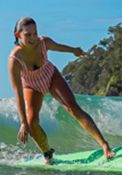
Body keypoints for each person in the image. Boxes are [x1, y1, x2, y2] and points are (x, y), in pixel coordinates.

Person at [7, 16, 115, 165]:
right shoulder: (15, 59)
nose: (33, 38)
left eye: (35, 33)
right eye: (28, 35)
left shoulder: (43, 42)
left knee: (73, 108)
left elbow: (60, 47)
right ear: (18, 35)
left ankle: (104, 144)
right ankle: (48, 154)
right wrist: (23, 122)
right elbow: (17, 93)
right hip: (31, 86)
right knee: (32, 123)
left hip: (50, 76)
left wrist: (75, 51)